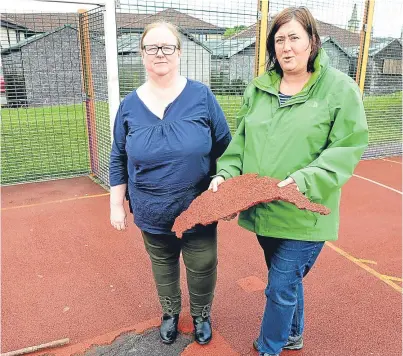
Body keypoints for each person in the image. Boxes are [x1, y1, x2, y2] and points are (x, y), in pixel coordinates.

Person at [209, 6, 368, 356]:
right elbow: (241, 144)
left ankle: (270, 346)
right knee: (289, 283)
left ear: (312, 42)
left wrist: (304, 179)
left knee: (280, 285)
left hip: (306, 211)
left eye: (294, 37)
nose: (287, 47)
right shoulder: (259, 89)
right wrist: (225, 175)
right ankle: (294, 332)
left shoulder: (339, 90)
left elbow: (347, 146)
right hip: (265, 211)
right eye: (279, 40)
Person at [109, 21, 231, 346]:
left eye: (167, 47)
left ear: (178, 53)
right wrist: (115, 206)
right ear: (142, 54)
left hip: (199, 209)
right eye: (152, 47)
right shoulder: (128, 107)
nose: (159, 53)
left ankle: (202, 313)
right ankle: (170, 312)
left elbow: (227, 147)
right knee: (162, 265)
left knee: (202, 264)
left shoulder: (201, 96)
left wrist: (223, 177)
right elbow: (118, 158)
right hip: (151, 210)